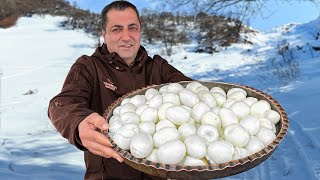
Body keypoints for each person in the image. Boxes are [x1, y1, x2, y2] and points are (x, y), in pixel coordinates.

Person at [48, 1, 192, 179]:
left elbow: (194, 93)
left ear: (140, 31)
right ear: (104, 35)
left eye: (132, 28)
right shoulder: (89, 67)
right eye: (116, 29)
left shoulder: (157, 68)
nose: (126, 36)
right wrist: (78, 123)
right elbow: (62, 104)